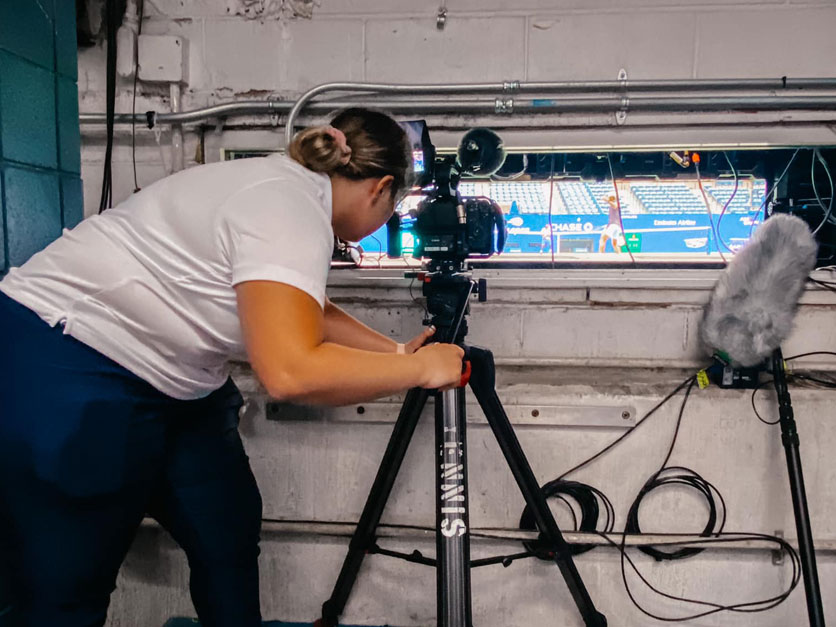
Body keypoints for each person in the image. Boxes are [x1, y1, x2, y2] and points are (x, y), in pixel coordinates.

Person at [0, 107, 464, 626]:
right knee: (66, 585)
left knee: (227, 534)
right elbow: (291, 373)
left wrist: (399, 354)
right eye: (394, 205)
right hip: (70, 356)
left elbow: (305, 308)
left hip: (178, 382)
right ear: (380, 188)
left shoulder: (293, 195)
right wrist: (423, 372)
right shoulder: (289, 208)